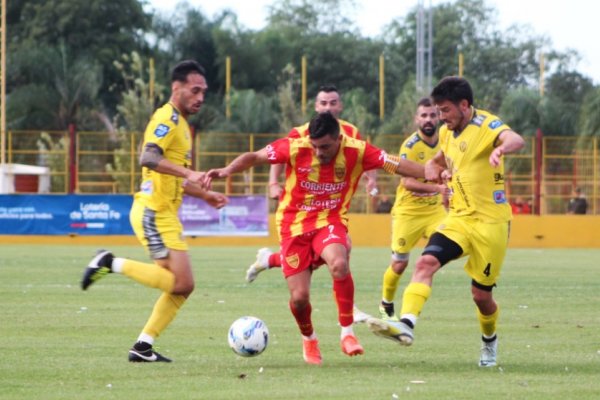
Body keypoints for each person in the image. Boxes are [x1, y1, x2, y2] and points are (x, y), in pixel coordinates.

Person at [204, 112, 425, 365]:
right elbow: (255, 157)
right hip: (293, 225)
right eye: (315, 146)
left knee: (339, 263)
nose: (319, 152)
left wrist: (429, 172)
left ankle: (347, 333)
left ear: (339, 139)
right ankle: (309, 338)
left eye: (326, 147)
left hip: (330, 220)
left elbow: (394, 164)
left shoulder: (358, 150)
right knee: (299, 299)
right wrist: (226, 170)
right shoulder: (295, 146)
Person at [367, 76, 525, 368]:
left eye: (445, 110)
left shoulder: (486, 125)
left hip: (491, 225)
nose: (441, 117)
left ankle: (489, 342)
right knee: (424, 263)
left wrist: (502, 149)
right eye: (437, 111)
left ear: (464, 105)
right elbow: (437, 161)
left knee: (481, 296)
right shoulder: (447, 133)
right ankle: (406, 324)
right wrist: (433, 170)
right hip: (459, 219)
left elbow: (516, 139)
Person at [80, 60, 228, 363]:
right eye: (195, 90)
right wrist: (190, 175)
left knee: (179, 285)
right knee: (183, 284)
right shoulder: (167, 119)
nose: (200, 97)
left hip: (163, 214)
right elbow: (147, 157)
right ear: (177, 88)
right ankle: (110, 262)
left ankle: (143, 346)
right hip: (154, 212)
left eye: (204, 92)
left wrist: (205, 195)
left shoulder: (183, 126)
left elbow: (173, 175)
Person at [247, 85, 377, 283]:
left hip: (331, 204)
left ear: (340, 106)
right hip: (303, 206)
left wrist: (372, 178)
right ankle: (347, 305)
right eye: (323, 103)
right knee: (339, 249)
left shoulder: (351, 131)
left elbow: (367, 155)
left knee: (340, 250)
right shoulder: (300, 133)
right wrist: (273, 182)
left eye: (333, 103)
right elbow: (280, 155)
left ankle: (271, 259)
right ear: (316, 106)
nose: (328, 107)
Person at [377, 97, 448, 322]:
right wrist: (439, 188)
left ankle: (416, 295)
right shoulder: (410, 145)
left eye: (432, 115)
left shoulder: (447, 140)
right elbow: (407, 182)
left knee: (448, 244)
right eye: (424, 116)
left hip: (435, 212)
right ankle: (386, 302)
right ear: (417, 119)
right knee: (399, 264)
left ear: (438, 117)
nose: (428, 120)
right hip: (408, 212)